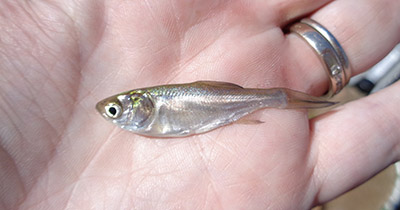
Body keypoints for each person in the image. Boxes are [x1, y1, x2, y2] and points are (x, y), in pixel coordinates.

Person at [0, 0, 399, 209]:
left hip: (229, 99)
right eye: (114, 111)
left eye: (116, 111)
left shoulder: (153, 107)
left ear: (139, 106)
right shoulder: (151, 108)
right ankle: (310, 101)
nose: (115, 117)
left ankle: (305, 101)